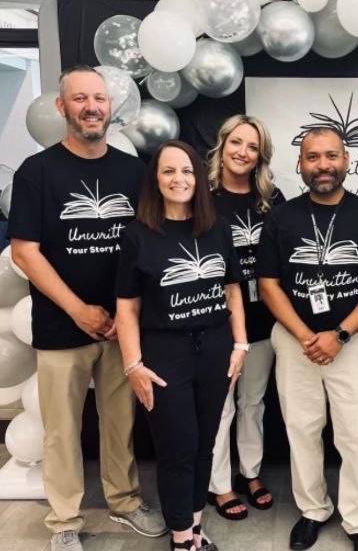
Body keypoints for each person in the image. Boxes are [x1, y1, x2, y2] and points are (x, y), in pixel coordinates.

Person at [8, 65, 166, 551]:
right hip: (62, 323)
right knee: (62, 429)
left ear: (110, 107)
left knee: (120, 422)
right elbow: (24, 252)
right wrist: (79, 310)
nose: (91, 107)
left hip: (123, 325)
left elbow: (148, 245)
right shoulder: (37, 171)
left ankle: (123, 501)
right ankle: (64, 521)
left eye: (98, 98)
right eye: (80, 99)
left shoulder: (132, 171)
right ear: (62, 107)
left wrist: (126, 314)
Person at [257, 127, 358, 551]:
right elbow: (268, 285)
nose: (323, 165)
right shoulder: (281, 217)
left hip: (353, 342)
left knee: (357, 433)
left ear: (347, 160)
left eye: (331, 156)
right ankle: (313, 509)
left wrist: (339, 334)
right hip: (294, 341)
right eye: (313, 157)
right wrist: (305, 336)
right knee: (301, 428)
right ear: (300, 165)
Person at [114, 140, 247, 551]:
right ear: (156, 179)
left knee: (205, 442)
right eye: (169, 171)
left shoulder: (217, 228)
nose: (179, 179)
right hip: (163, 352)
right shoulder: (138, 235)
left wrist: (240, 344)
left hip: (215, 350)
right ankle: (180, 538)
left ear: (198, 178)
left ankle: (194, 525)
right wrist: (133, 365)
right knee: (177, 447)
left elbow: (232, 290)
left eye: (187, 170)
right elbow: (127, 308)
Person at [205, 115, 284, 519]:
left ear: (260, 156)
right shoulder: (203, 197)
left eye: (252, 147)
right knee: (221, 406)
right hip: (217, 321)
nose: (243, 152)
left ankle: (250, 472)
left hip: (264, 320)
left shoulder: (272, 198)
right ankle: (219, 485)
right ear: (223, 144)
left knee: (253, 401)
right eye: (236, 142)